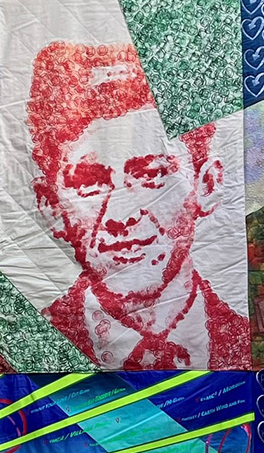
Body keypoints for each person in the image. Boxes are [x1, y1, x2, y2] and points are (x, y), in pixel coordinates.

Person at [27, 42, 249, 369]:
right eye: (88, 182)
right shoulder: (27, 349)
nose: (123, 216)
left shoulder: (248, 347)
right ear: (51, 207)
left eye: (152, 175)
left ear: (207, 184)